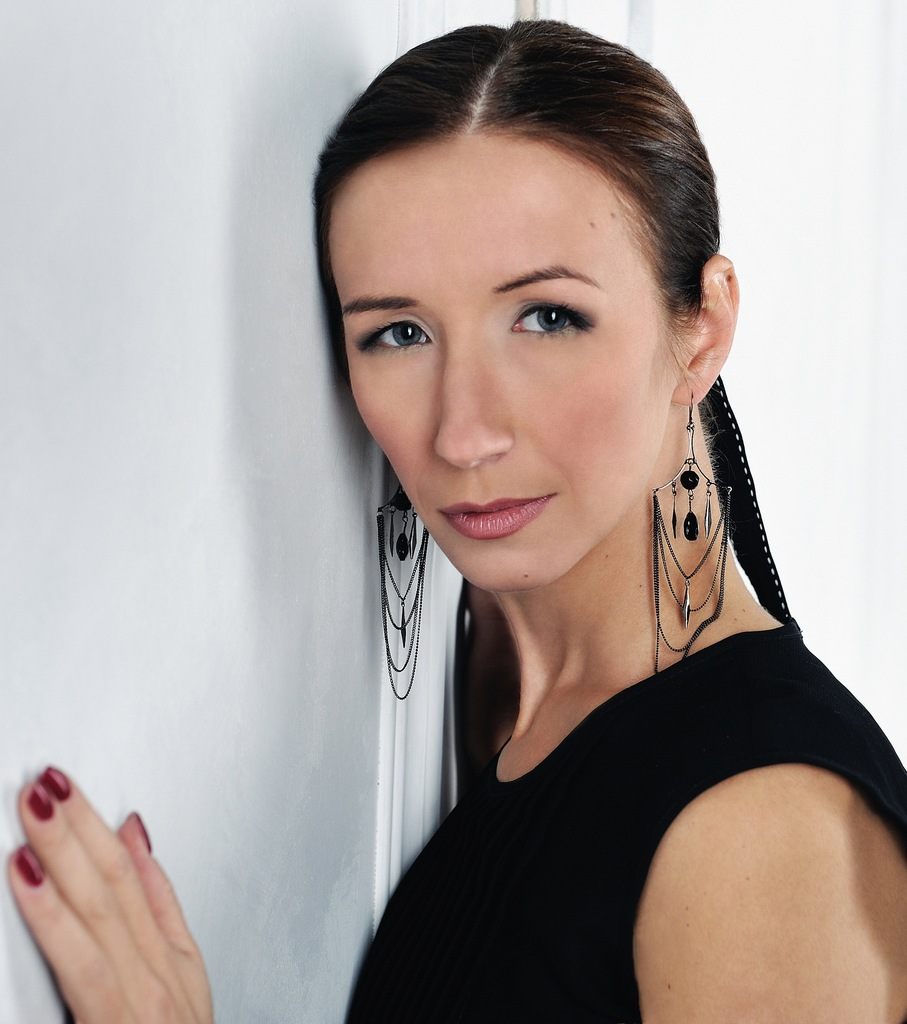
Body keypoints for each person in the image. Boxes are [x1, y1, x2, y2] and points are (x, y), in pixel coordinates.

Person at [8, 19, 907, 1024]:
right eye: (398, 332)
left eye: (547, 317)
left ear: (703, 328)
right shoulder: (515, 711)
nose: (463, 431)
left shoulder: (764, 826)